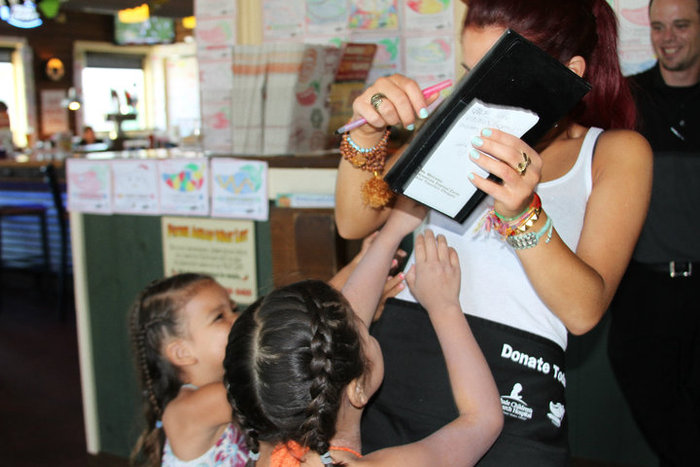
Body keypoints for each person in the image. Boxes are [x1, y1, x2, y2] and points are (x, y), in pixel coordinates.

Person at [333, 0, 653, 464]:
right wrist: (366, 133)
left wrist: (523, 210)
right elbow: (355, 221)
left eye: (498, 75)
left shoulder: (614, 152)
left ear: (569, 71)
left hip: (515, 381)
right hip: (399, 361)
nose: (480, 93)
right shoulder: (461, 126)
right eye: (471, 71)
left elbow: (584, 310)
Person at [223, 197, 503, 466]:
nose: (363, 317)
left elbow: (337, 332)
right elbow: (482, 420)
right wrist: (444, 306)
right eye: (366, 332)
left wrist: (392, 232)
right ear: (357, 389)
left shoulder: (272, 440)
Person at [607, 0, 700, 465]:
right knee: (659, 414)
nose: (669, 37)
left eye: (681, 25)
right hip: (643, 296)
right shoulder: (627, 99)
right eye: (660, 26)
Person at [129, 273, 249, 466]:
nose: (237, 318)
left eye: (233, 309)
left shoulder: (215, 393)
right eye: (219, 317)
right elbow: (270, 397)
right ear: (182, 352)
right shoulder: (198, 405)